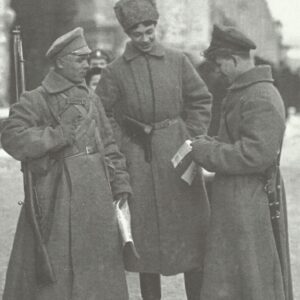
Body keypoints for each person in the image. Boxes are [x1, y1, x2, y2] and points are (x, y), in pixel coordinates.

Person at [1, 27, 132, 300]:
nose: (87, 65)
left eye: (87, 59)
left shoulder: (91, 99)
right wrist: (56, 136)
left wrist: (119, 182)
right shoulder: (36, 99)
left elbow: (108, 144)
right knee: (57, 276)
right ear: (60, 61)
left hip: (96, 196)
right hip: (56, 196)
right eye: (79, 59)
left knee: (98, 273)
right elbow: (11, 137)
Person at [96, 0, 212, 299]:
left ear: (155, 27)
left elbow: (200, 99)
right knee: (146, 242)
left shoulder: (178, 61)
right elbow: (102, 114)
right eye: (138, 34)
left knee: (190, 237)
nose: (145, 39)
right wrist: (122, 144)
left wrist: (190, 136)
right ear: (128, 34)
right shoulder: (115, 71)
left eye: (150, 31)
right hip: (138, 159)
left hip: (179, 157)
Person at [191, 24, 293, 300]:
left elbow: (254, 155)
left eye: (220, 64)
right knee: (237, 278)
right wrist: (210, 142)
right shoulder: (246, 91)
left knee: (251, 278)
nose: (219, 72)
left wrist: (206, 153)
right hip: (239, 198)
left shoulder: (259, 96)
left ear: (233, 59)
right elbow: (236, 140)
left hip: (250, 200)